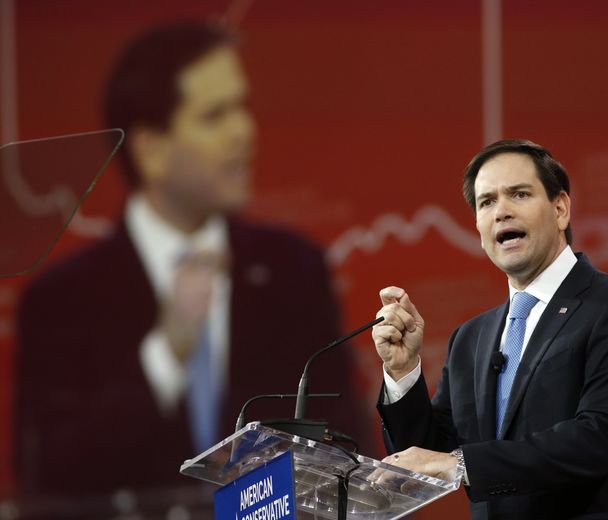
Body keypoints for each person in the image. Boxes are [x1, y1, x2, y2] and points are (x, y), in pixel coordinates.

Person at [14, 21, 366, 505]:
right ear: (150, 149)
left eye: (242, 107)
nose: (244, 131)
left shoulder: (294, 270)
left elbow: (345, 447)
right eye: (215, 115)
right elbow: (49, 474)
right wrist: (166, 355)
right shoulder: (62, 299)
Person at [372, 139, 608, 519]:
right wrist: (402, 372)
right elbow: (428, 457)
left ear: (560, 209)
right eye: (486, 202)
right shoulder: (471, 338)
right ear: (478, 227)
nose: (501, 212)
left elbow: (604, 436)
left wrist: (461, 465)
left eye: (519, 194)